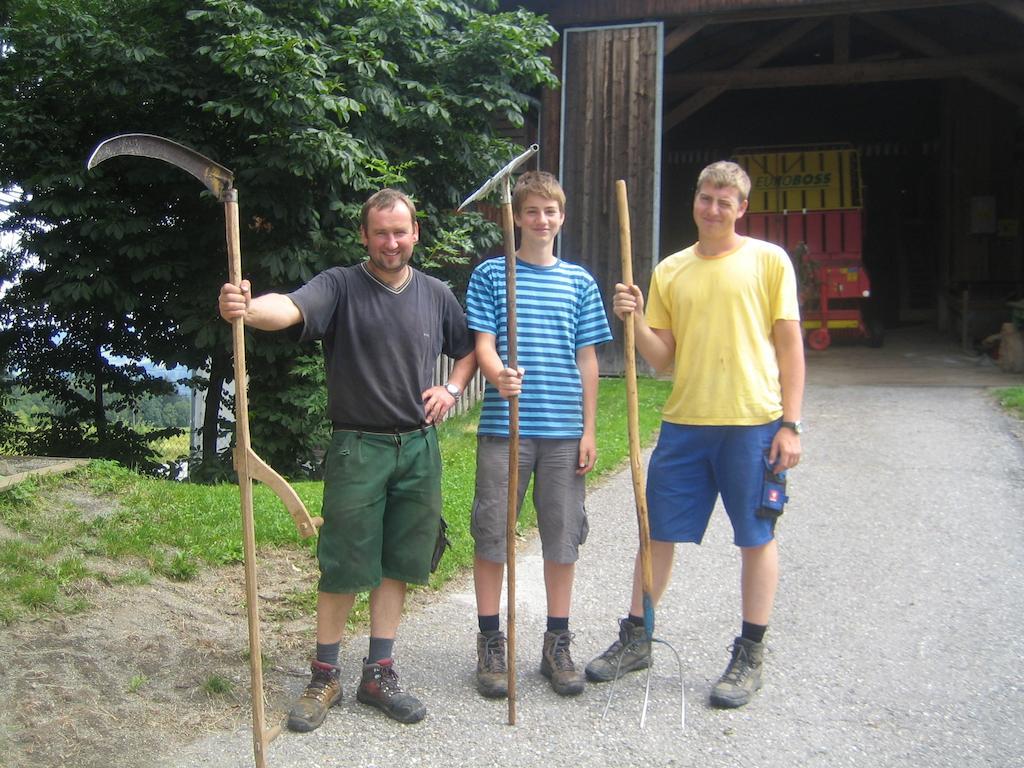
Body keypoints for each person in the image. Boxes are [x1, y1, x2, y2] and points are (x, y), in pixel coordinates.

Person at [218, 189, 476, 730]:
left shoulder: (434, 293)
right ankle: (325, 674)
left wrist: (450, 388)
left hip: (419, 448)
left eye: (400, 231)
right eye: (380, 232)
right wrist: (247, 307)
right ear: (365, 235)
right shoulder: (339, 286)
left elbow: (469, 344)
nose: (391, 241)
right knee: (342, 563)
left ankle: (378, 673)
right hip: (357, 447)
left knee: (401, 561)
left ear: (415, 234)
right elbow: (287, 308)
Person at [586, 161, 804, 709]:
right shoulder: (671, 270)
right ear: (695, 200)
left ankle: (750, 652)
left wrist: (791, 424)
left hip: (753, 424)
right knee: (655, 533)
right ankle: (638, 637)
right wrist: (633, 320)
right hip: (686, 424)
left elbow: (790, 347)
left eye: (724, 201)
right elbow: (663, 361)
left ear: (741, 208)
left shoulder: (768, 261)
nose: (712, 208)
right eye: (705, 197)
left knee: (756, 537)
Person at [465, 170, 612, 698]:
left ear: (562, 217)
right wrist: (498, 371)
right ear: (515, 217)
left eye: (550, 211)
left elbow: (588, 358)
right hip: (507, 429)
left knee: (563, 536)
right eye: (531, 211)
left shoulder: (579, 282)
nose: (541, 220)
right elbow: (483, 341)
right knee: (493, 534)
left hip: (563, 430)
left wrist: (589, 429)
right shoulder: (491, 275)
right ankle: (490, 641)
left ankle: (556, 642)